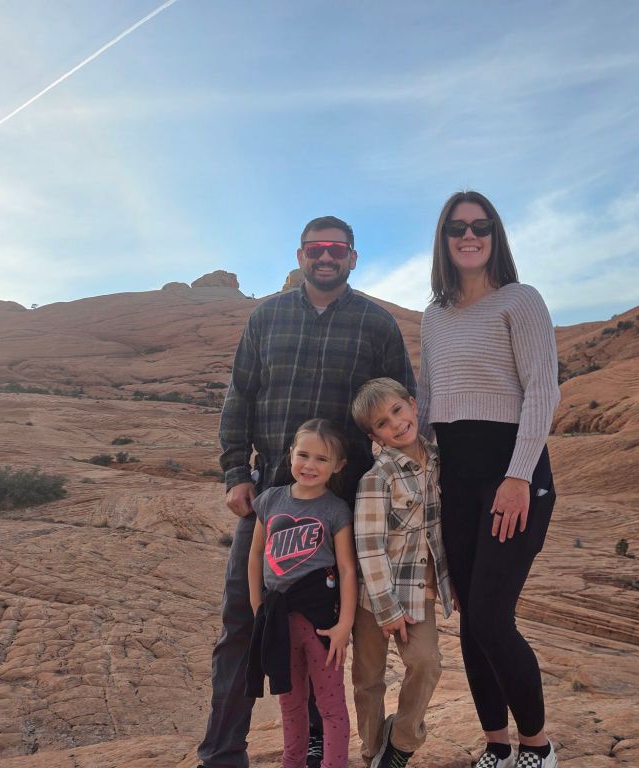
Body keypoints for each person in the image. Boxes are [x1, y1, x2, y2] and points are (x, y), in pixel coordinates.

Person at [197, 215, 416, 768]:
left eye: (337, 249)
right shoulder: (266, 318)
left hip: (340, 511)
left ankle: (317, 743)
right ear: (300, 256)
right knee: (243, 624)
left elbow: (399, 410)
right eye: (316, 248)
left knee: (322, 633)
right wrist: (235, 472)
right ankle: (222, 753)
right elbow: (240, 397)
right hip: (269, 498)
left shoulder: (376, 324)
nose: (326, 257)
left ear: (352, 258)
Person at [417, 191, 561, 768]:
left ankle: (538, 748)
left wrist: (518, 475)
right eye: (457, 228)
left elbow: (542, 391)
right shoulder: (434, 316)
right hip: (457, 481)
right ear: (444, 240)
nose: (469, 236)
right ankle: (497, 747)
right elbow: (428, 397)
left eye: (480, 226)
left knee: (492, 618)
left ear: (496, 235)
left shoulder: (519, 301)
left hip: (513, 477)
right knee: (471, 621)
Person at [349, 378, 453, 768]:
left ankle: (402, 743)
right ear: (373, 436)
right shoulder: (378, 477)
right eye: (382, 423)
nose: (395, 423)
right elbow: (369, 546)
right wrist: (387, 607)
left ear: (412, 404)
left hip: (418, 592)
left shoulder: (441, 460)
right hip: (373, 600)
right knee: (368, 680)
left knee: (426, 662)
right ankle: (372, 753)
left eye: (397, 410)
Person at [246, 419, 357, 768]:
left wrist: (345, 625)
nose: (310, 465)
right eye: (304, 455)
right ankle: (291, 762)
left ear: (338, 465)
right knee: (290, 703)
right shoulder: (270, 500)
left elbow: (347, 569)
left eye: (322, 459)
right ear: (291, 454)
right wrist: (257, 605)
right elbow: (255, 555)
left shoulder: (335, 509)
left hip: (321, 623)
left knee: (331, 705)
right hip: (278, 620)